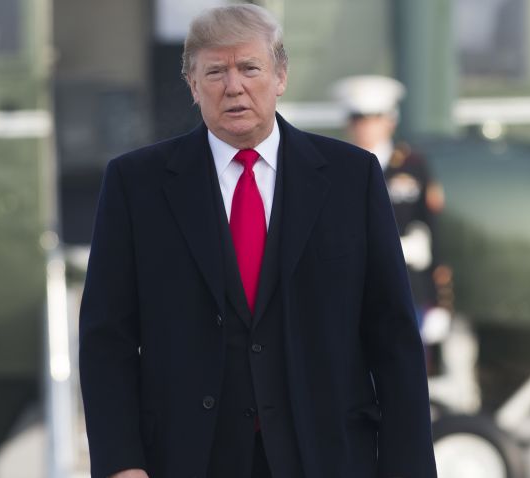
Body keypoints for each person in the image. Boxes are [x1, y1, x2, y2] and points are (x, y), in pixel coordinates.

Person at [79, 5, 436, 478]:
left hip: (327, 455)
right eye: (215, 72)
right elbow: (107, 339)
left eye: (249, 67)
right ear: (191, 84)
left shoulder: (352, 179)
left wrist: (408, 467)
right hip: (188, 458)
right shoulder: (136, 184)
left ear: (280, 75)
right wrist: (121, 464)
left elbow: (392, 337)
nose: (234, 86)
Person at [332, 75, 449, 341]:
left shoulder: (412, 165)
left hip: (407, 288)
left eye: (374, 117)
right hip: (352, 292)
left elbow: (434, 231)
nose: (366, 127)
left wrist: (441, 303)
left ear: (390, 120)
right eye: (358, 118)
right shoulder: (334, 167)